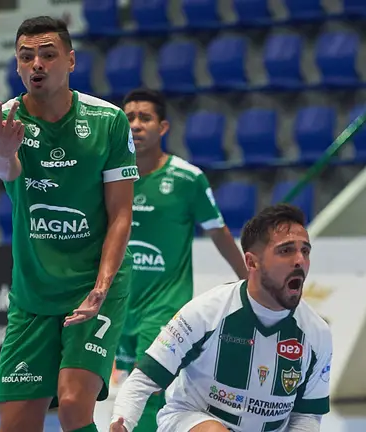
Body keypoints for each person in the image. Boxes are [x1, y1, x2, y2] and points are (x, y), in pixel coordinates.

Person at [0, 16, 139, 432]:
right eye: (26, 56)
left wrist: (101, 287)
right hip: (34, 294)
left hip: (94, 286)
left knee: (71, 404)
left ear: (70, 60)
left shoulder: (108, 121)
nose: (37, 64)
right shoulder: (1, 121)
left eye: (48, 55)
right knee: (16, 425)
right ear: (16, 66)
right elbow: (5, 168)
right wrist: (6, 152)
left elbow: (121, 212)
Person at [109, 204, 333, 432]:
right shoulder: (206, 311)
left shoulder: (317, 333)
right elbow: (144, 379)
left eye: (305, 251)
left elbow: (307, 415)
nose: (300, 261)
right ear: (251, 262)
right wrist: (122, 422)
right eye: (286, 251)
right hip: (193, 419)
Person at [113, 88, 249, 431]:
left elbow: (218, 231)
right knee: (127, 385)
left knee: (149, 386)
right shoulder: (113, 176)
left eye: (145, 117)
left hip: (164, 304)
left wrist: (251, 282)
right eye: (129, 117)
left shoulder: (188, 178)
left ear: (163, 127)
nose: (136, 124)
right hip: (120, 301)